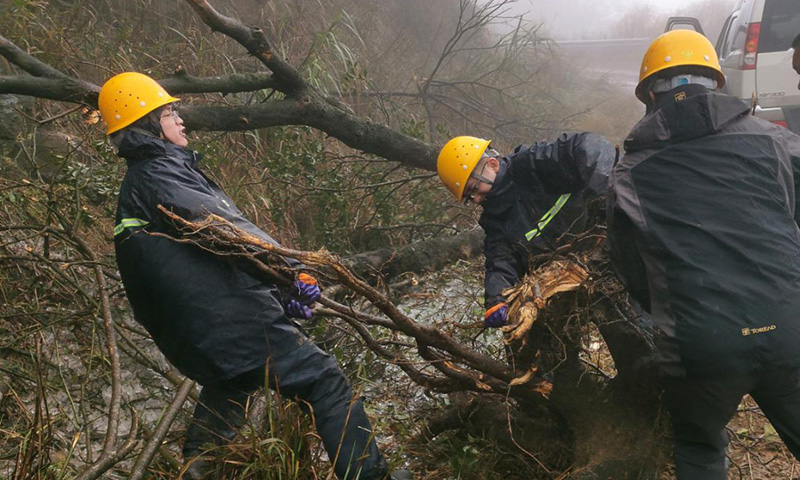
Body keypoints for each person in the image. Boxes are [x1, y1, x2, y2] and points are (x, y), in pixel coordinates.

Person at [98, 72, 411, 480]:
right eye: (171, 113)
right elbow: (226, 232)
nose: (181, 120)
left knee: (231, 386)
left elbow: (200, 264)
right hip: (225, 322)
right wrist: (291, 271)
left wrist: (278, 294)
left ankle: (196, 471)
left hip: (198, 331)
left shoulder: (144, 182)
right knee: (323, 380)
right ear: (148, 123)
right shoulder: (160, 174)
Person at [607, 29, 800, 479]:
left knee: (699, 447)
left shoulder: (629, 173)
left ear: (650, 95)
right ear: (715, 83)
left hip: (701, 345)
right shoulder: (775, 140)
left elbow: (633, 274)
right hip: (790, 324)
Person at [436, 132, 615, 328]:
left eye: (474, 188)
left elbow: (591, 147)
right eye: (469, 197)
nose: (477, 199)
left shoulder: (533, 164)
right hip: (573, 281)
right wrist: (496, 299)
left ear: (492, 165)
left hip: (610, 246)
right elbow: (501, 261)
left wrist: (604, 201)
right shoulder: (495, 219)